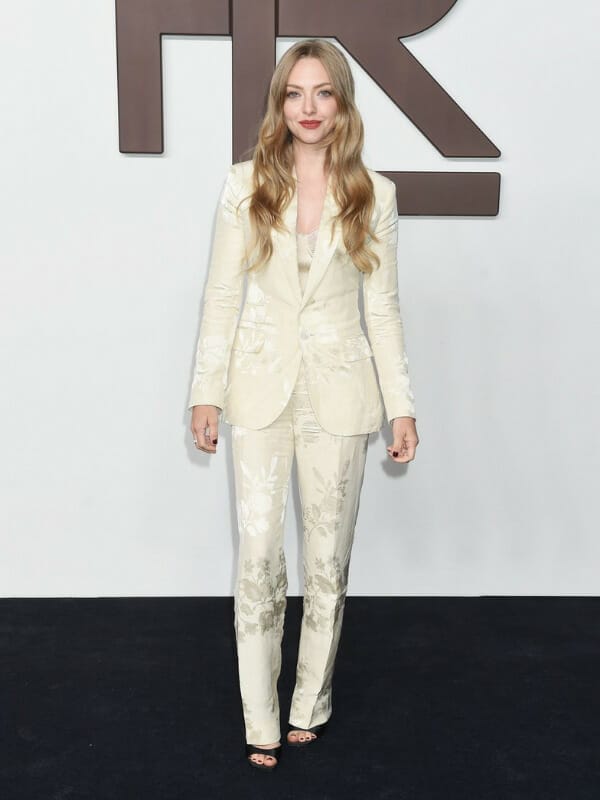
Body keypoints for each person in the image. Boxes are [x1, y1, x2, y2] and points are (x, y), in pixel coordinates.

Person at [188, 38, 419, 771]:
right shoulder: (244, 184)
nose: (308, 107)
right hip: (258, 388)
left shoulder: (375, 194)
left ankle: (308, 704)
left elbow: (382, 309)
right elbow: (222, 295)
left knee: (327, 561)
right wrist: (205, 391)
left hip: (341, 392)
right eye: (295, 93)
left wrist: (402, 405)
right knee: (258, 556)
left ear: (342, 102)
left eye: (322, 92)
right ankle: (260, 716)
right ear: (279, 103)